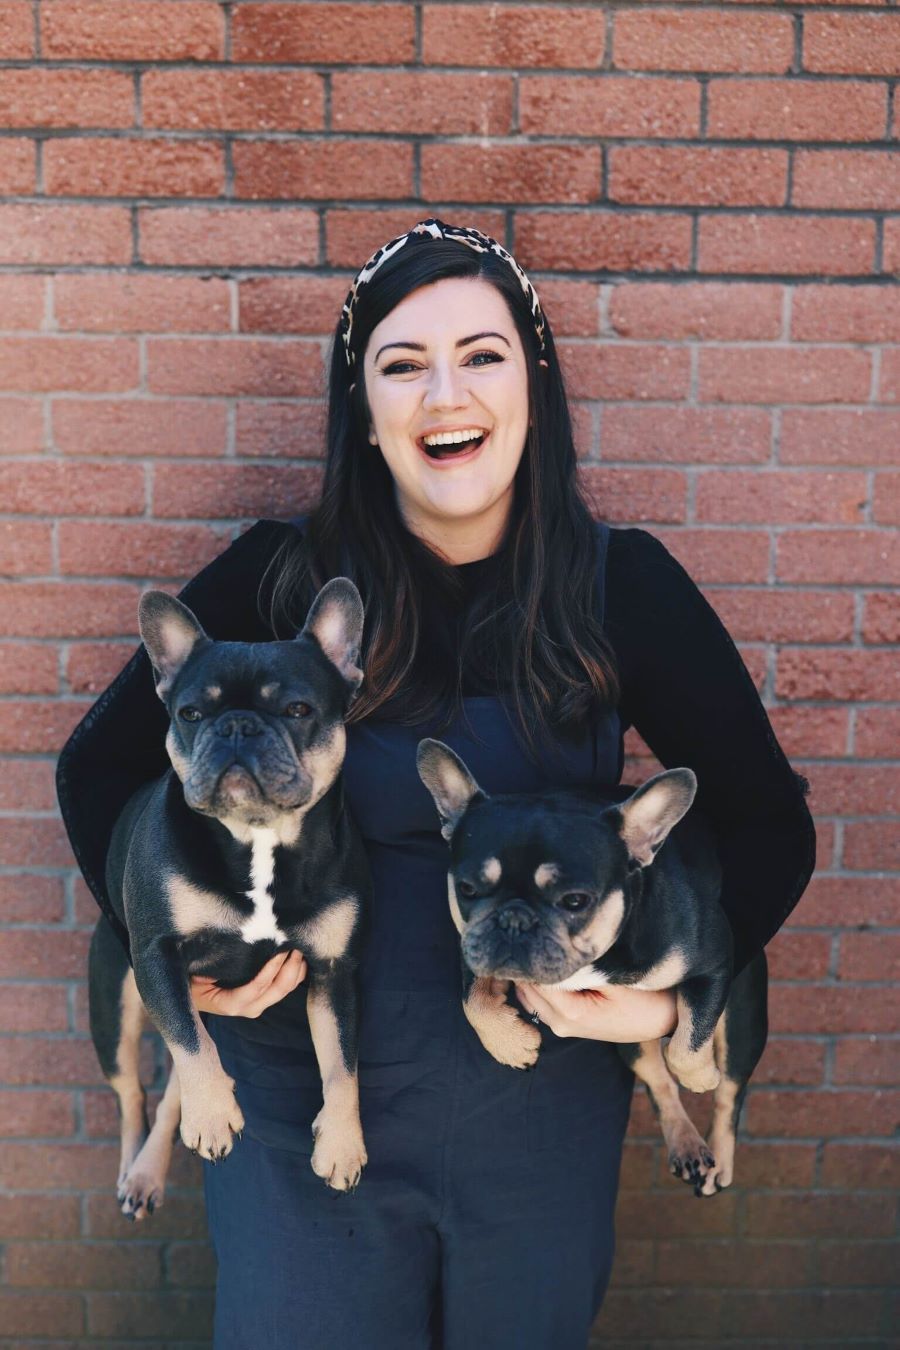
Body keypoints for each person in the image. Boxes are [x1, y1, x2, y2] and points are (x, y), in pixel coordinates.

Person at [56, 218, 815, 1350]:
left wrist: (662, 1006)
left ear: (534, 384)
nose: (444, 394)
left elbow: (767, 826)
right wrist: (183, 967)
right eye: (402, 365)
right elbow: (99, 772)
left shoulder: (625, 589)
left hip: (540, 1107)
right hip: (300, 1105)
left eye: (482, 354)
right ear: (363, 411)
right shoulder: (279, 575)